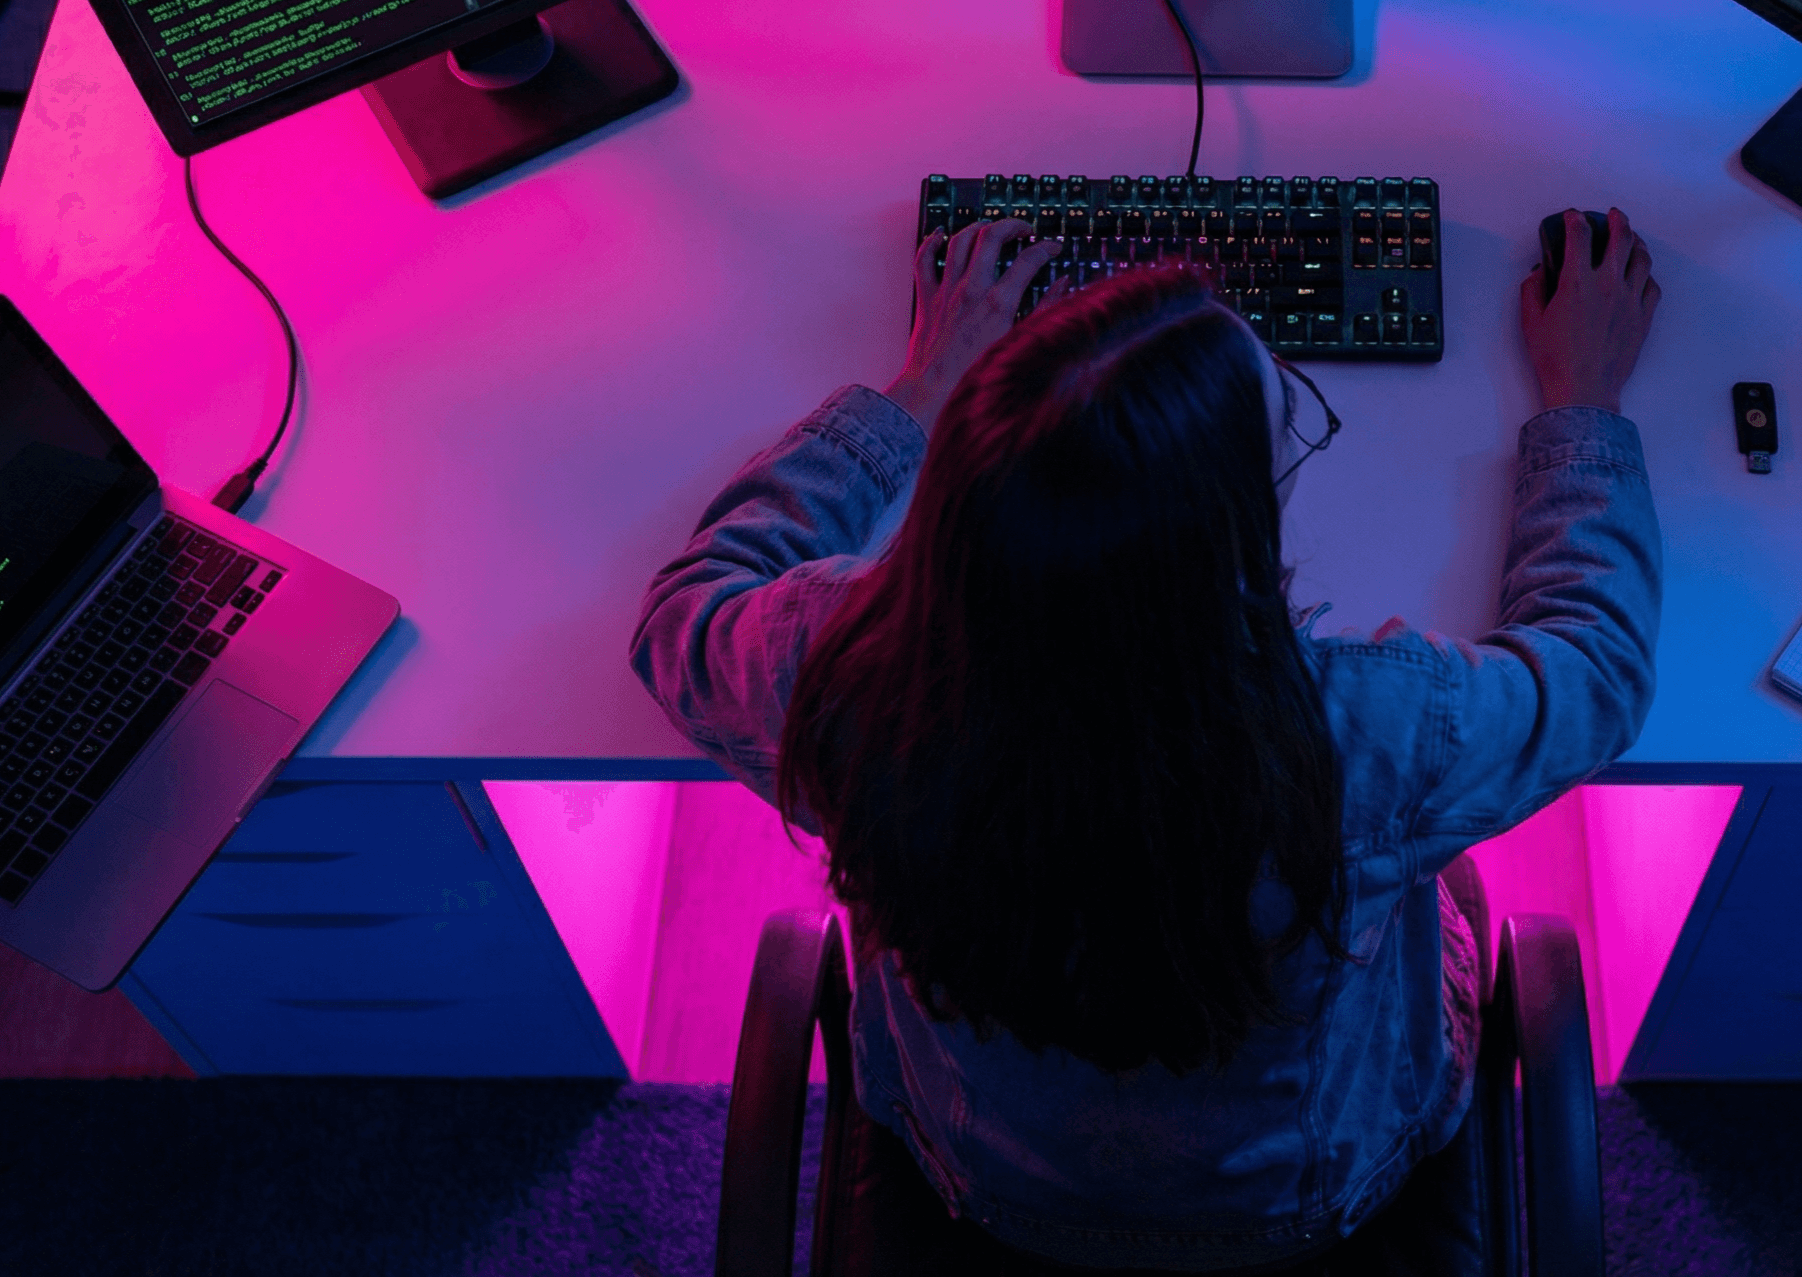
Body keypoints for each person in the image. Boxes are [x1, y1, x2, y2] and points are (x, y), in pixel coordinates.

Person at [632, 208, 1662, 1269]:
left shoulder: (848, 672)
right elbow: (1598, 668)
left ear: (957, 507)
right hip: (1303, 1199)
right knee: (1454, 882)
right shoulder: (1367, 737)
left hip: (980, 1176)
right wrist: (1582, 401)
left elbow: (683, 615)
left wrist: (920, 389)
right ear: (1221, 544)